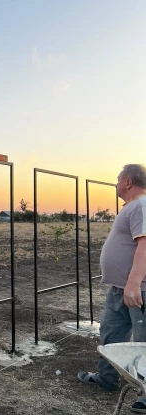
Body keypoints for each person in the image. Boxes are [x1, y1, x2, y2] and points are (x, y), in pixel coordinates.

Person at [77, 164, 146, 413]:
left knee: (143, 343)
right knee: (110, 334)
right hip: (120, 288)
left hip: (138, 290)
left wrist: (134, 283)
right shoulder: (132, 207)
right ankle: (108, 379)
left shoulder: (141, 205)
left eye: (118, 180)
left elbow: (144, 246)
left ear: (127, 182)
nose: (116, 184)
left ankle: (145, 395)